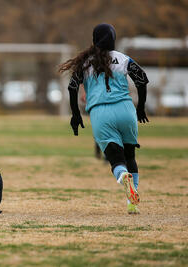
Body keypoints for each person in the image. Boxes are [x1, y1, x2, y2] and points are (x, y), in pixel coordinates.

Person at [59, 23, 149, 214]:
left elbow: (72, 87)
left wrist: (76, 114)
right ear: (113, 40)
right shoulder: (123, 59)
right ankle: (132, 202)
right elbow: (141, 79)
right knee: (130, 156)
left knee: (116, 160)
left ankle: (123, 175)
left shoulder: (86, 63)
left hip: (101, 113)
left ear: (94, 41)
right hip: (126, 110)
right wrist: (140, 107)